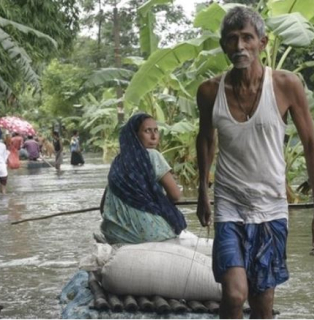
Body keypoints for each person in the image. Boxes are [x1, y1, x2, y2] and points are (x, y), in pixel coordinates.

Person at [195, 6, 314, 319]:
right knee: (234, 295)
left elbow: (311, 143)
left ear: (262, 42)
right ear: (223, 46)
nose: (240, 46)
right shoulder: (209, 91)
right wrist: (202, 190)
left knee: (262, 305)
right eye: (232, 39)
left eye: (247, 38)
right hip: (229, 206)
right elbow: (205, 138)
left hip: (272, 207)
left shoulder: (286, 85)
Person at [99, 113, 186, 244]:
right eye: (147, 131)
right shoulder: (153, 155)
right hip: (148, 234)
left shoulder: (118, 162)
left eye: (156, 130)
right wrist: (158, 203)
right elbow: (175, 195)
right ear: (134, 135)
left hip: (112, 233)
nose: (154, 136)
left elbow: (102, 207)